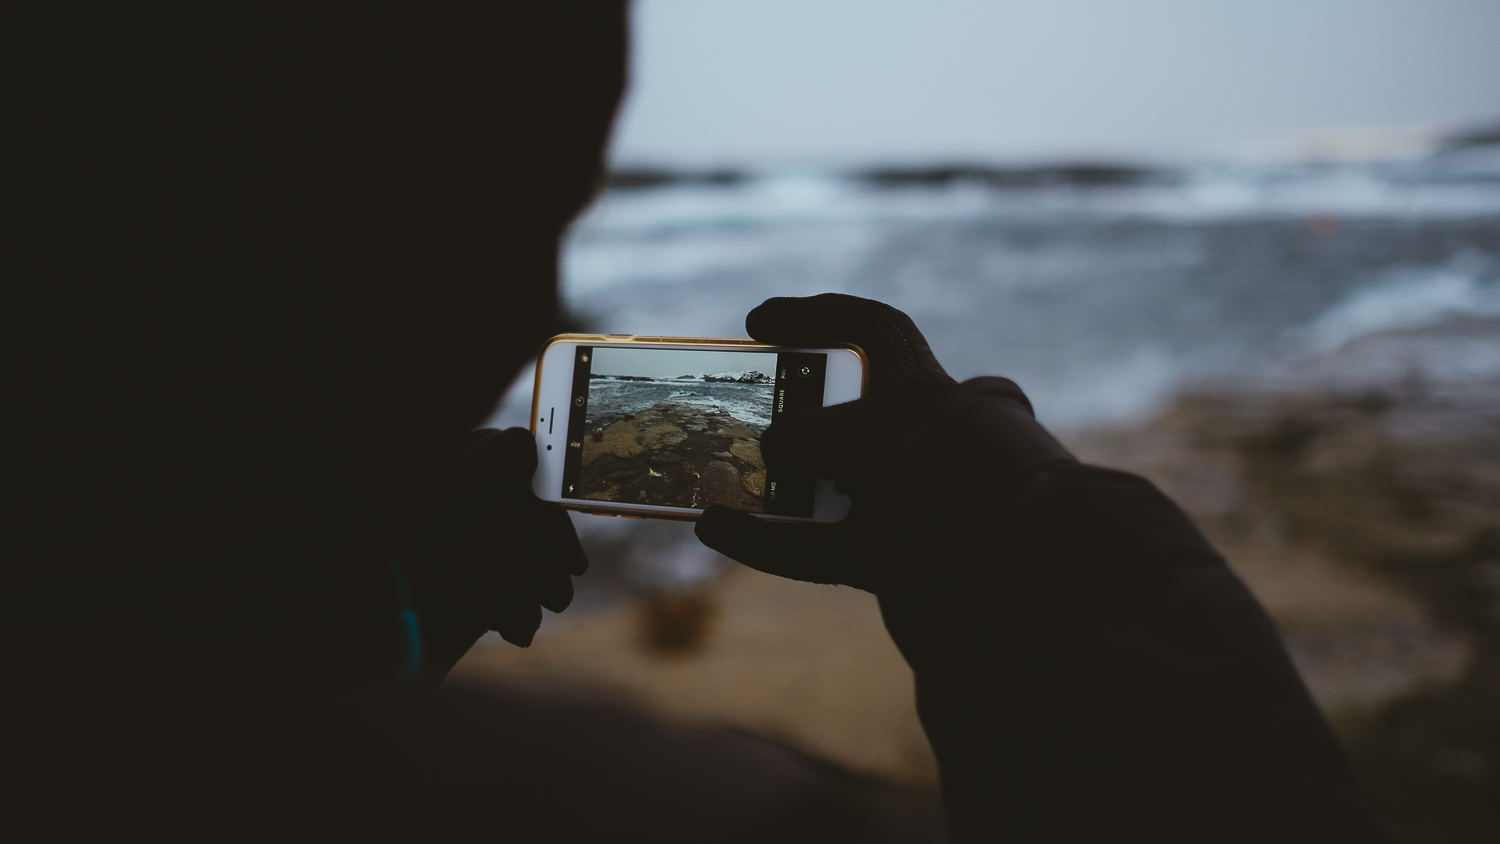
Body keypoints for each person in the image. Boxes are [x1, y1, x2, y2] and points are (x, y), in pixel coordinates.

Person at [6, 3, 1392, 841]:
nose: (543, 297)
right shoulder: (629, 822)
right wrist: (991, 515)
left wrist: (353, 623)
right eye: (524, 219)